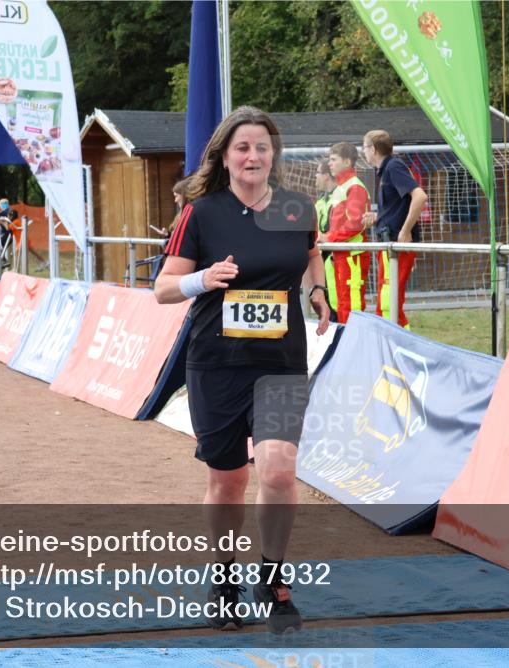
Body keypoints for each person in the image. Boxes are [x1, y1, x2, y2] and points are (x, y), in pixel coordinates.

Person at [154, 106, 330, 635]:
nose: (253, 156)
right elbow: (163, 288)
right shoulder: (202, 213)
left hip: (279, 363)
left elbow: (312, 253)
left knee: (278, 469)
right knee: (228, 480)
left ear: (273, 155)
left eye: (261, 147)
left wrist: (317, 291)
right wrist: (204, 279)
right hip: (218, 364)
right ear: (225, 156)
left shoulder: (298, 209)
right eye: (242, 148)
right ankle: (224, 580)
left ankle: (272, 580)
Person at [361, 130, 429, 329]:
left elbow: (420, 197)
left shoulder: (393, 167)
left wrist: (405, 231)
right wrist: (378, 217)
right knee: (387, 301)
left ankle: (399, 341)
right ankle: (392, 341)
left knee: (389, 302)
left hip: (397, 245)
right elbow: (398, 206)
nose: (363, 152)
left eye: (364, 147)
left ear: (373, 149)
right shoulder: (385, 170)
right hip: (388, 243)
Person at [319, 142, 370, 324]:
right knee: (341, 303)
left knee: (351, 305)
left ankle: (354, 340)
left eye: (334, 159)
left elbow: (355, 223)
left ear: (347, 162)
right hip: (341, 254)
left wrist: (329, 238)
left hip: (352, 255)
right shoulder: (343, 187)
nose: (329, 163)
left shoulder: (354, 187)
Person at [311, 161, 338, 316]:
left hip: (335, 258)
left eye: (318, 173)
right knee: (326, 302)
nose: (315, 176)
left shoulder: (339, 198)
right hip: (323, 259)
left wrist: (326, 237)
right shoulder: (321, 201)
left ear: (327, 176)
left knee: (337, 304)